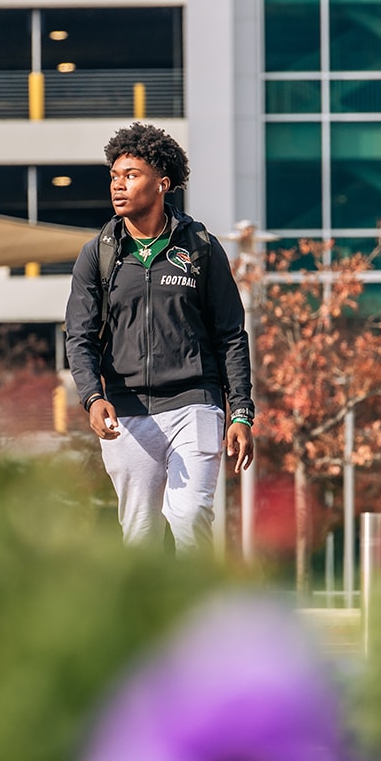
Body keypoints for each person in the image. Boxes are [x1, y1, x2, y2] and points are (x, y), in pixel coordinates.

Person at [65, 123, 254, 551]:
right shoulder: (99, 253)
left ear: (162, 183)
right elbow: (79, 336)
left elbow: (230, 335)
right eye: (114, 176)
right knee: (140, 537)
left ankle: (200, 616)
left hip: (195, 403)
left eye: (131, 175)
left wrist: (241, 412)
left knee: (190, 518)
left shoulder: (201, 246)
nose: (119, 185)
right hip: (126, 413)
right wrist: (93, 398)